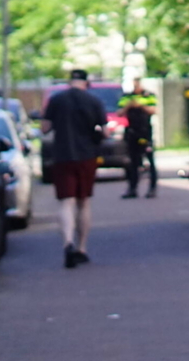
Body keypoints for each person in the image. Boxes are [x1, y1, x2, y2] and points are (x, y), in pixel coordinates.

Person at [42, 69, 108, 269]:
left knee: (66, 202)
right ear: (86, 83)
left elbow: (44, 128)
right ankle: (82, 248)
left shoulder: (56, 100)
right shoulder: (94, 101)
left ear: (69, 82)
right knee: (84, 202)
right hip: (87, 156)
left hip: (62, 156)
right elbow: (105, 131)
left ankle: (67, 242)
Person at [119, 78, 158, 199]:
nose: (136, 86)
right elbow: (119, 112)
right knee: (133, 162)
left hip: (145, 131)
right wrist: (129, 106)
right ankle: (132, 188)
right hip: (132, 131)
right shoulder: (127, 97)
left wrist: (141, 106)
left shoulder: (149, 95)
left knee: (150, 161)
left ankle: (152, 189)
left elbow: (153, 110)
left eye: (138, 84)